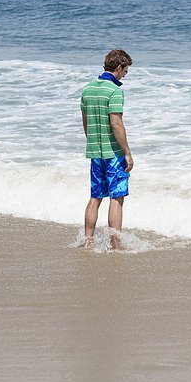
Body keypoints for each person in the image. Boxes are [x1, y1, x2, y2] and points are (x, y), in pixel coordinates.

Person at [80, 49, 134, 250]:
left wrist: (92, 141)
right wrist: (127, 152)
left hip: (95, 153)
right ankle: (115, 242)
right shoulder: (114, 91)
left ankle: (88, 241)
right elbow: (116, 123)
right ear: (118, 67)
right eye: (125, 72)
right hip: (113, 154)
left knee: (95, 197)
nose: (124, 76)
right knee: (116, 198)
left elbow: (86, 122)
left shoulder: (87, 89)